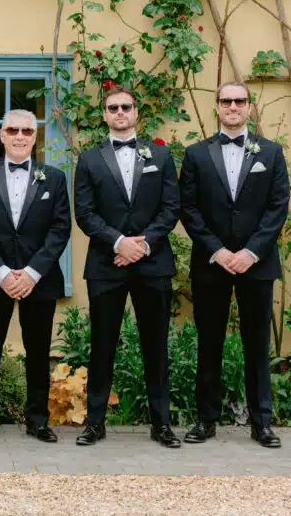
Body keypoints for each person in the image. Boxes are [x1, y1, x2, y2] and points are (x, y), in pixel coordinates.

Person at [178, 81, 290, 449]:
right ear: (217, 107)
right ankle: (206, 420)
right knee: (209, 343)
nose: (232, 107)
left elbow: (277, 208)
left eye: (239, 101)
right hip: (212, 265)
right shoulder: (196, 155)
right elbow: (189, 209)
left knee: (257, 344)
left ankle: (263, 424)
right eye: (226, 101)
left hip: (256, 265)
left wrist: (250, 252)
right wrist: (217, 251)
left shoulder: (271, 153)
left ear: (249, 107)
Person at [73, 86, 181, 449]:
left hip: (153, 264)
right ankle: (95, 423)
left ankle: (161, 424)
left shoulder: (162, 156)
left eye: (126, 107)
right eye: (113, 108)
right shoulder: (89, 160)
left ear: (137, 113)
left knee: (156, 345)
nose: (120, 112)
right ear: (104, 115)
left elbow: (171, 208)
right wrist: (119, 243)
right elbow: (85, 213)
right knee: (102, 345)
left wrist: (143, 244)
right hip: (107, 264)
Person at [0, 110, 71, 443]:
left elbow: (60, 228)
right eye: (13, 129)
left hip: (39, 281)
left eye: (27, 130)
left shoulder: (52, 178)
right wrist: (0, 272)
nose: (20, 136)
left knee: (38, 352)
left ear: (35, 136)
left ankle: (38, 419)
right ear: (2, 134)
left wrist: (31, 272)